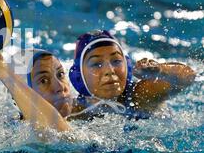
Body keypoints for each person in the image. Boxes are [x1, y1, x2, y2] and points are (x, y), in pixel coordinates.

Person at [68, 30, 196, 118]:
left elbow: (187, 76)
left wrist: (160, 70)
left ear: (127, 65)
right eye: (96, 64)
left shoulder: (140, 96)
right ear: (79, 76)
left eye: (116, 61)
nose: (110, 70)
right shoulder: (76, 112)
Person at [0, 50, 72, 132]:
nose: (60, 86)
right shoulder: (2, 134)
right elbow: (56, 134)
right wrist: (1, 70)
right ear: (18, 96)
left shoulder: (83, 111)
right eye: (44, 80)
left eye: (60, 74)